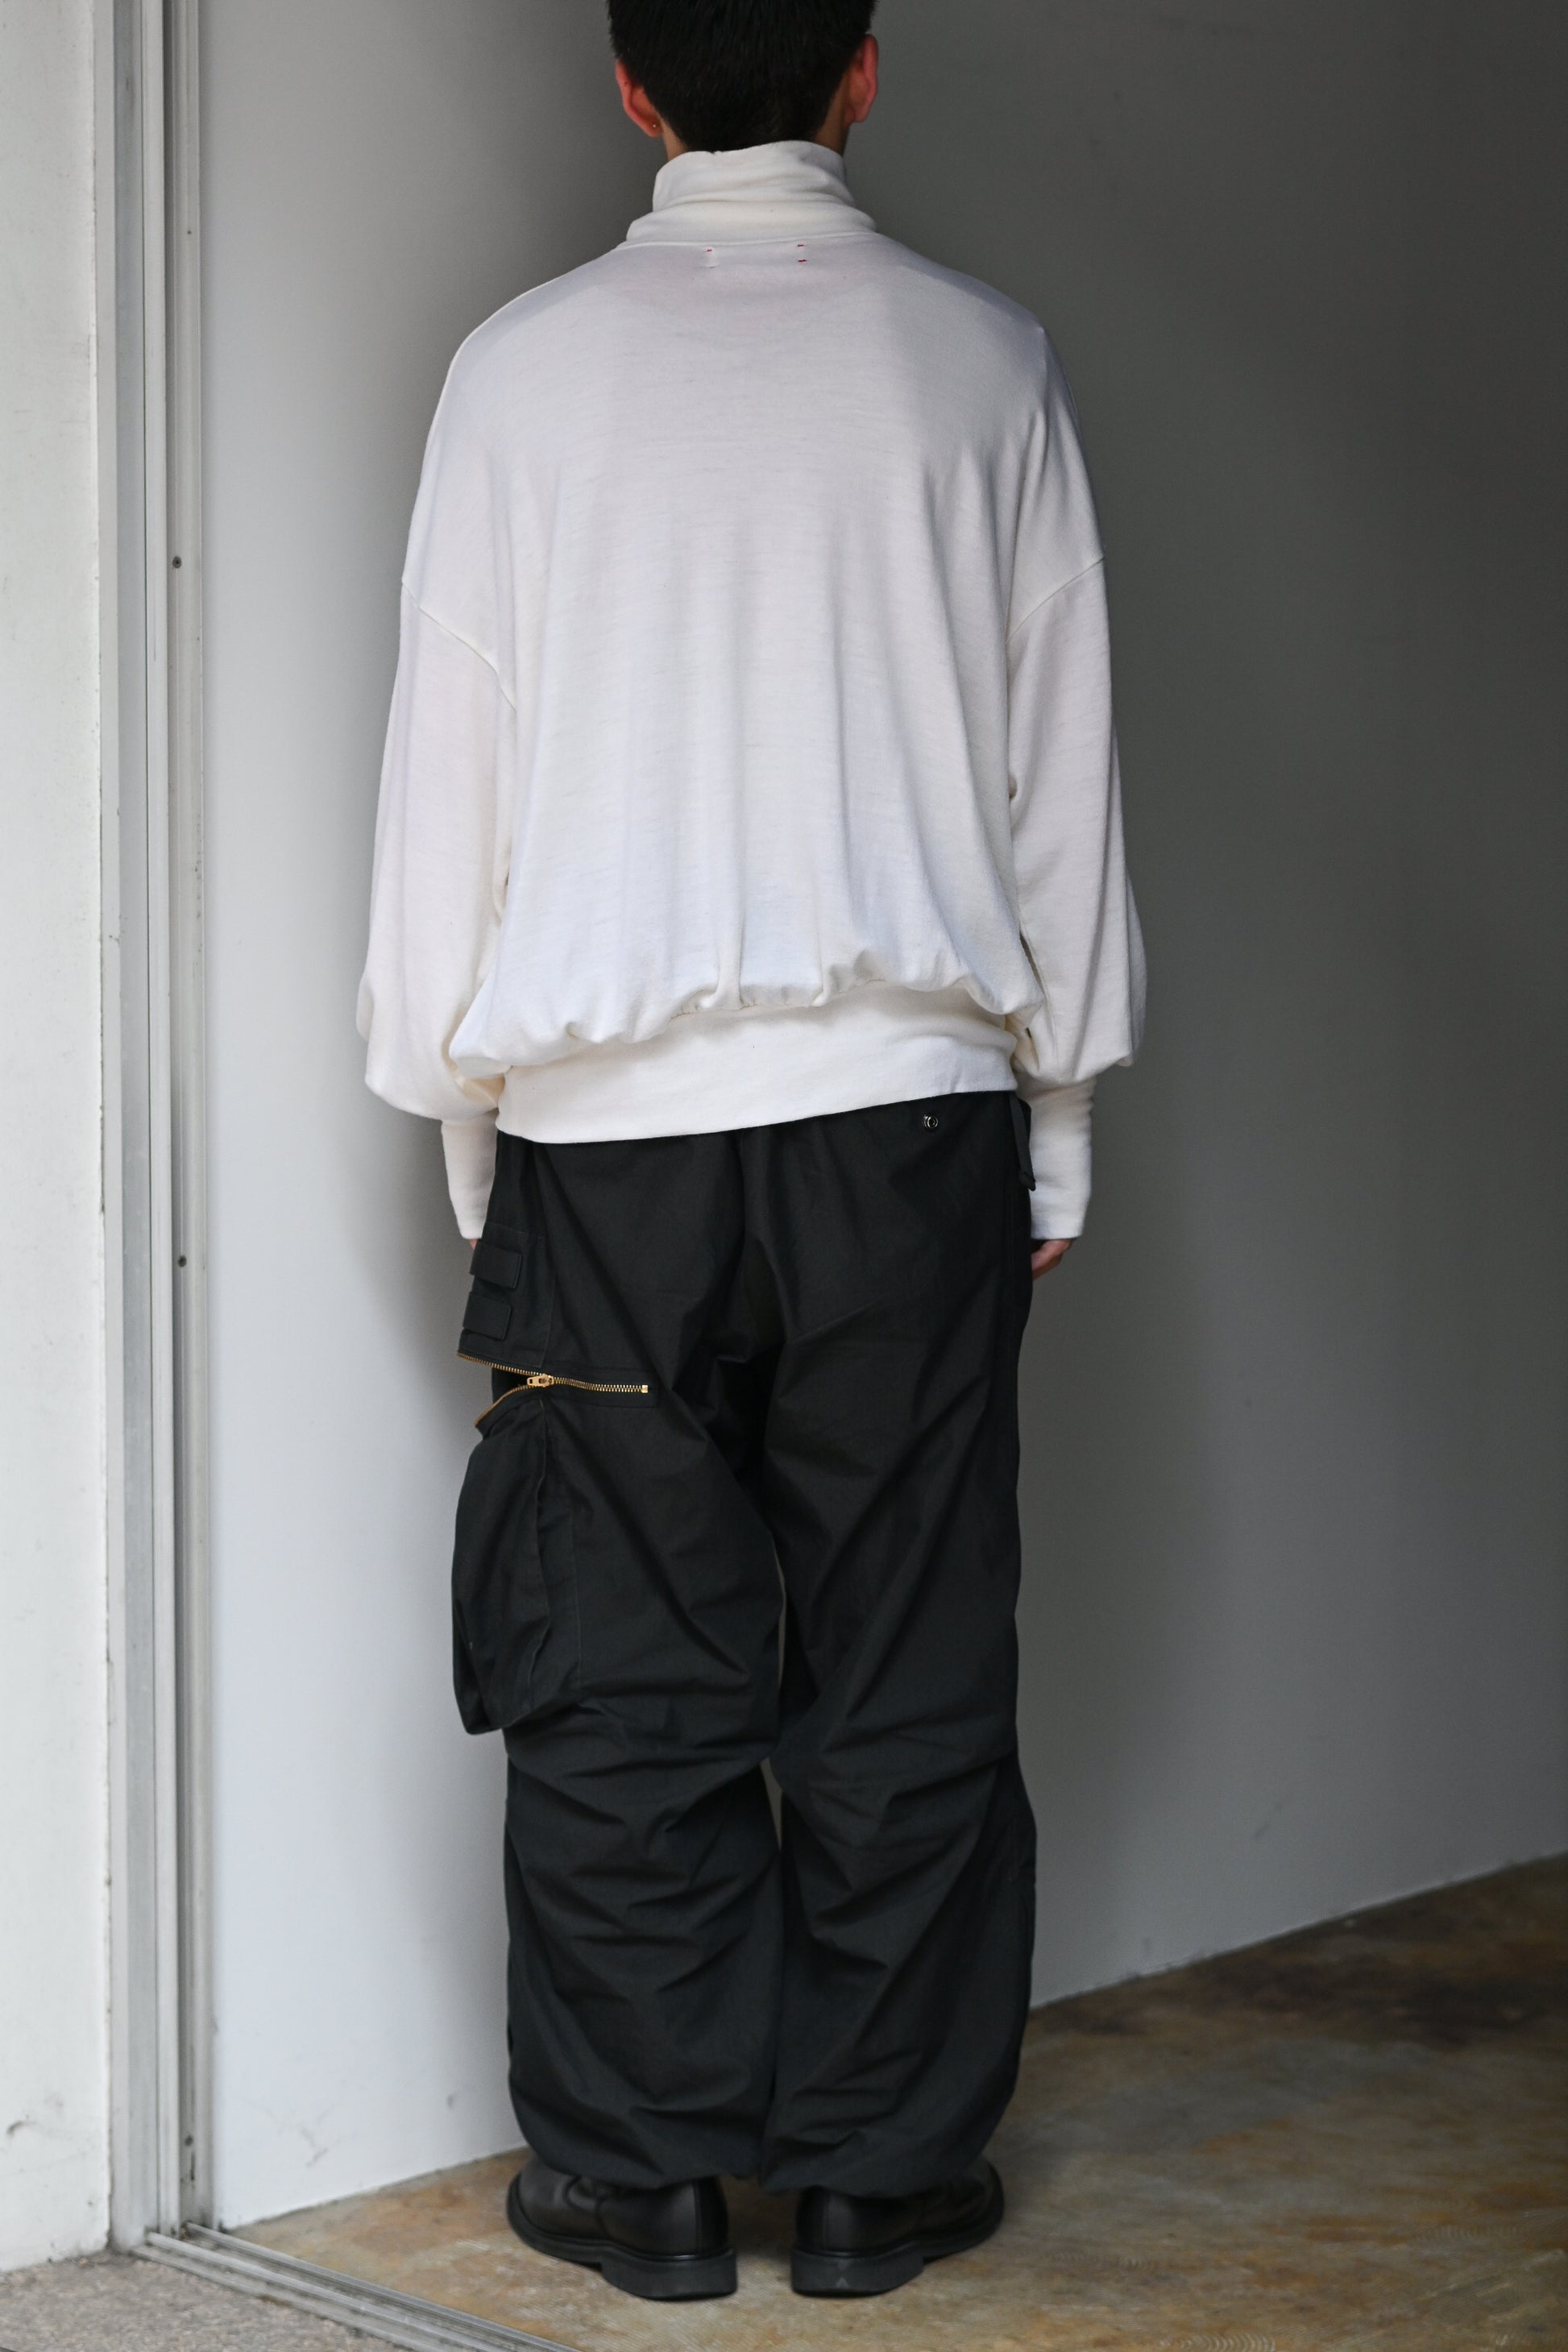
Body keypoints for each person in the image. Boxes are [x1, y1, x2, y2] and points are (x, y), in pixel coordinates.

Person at [358, 0, 1143, 2305]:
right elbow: (1060, 775)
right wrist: (1058, 1125)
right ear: (863, 67)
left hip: (608, 1149)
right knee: (907, 1647)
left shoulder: (518, 375)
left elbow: (450, 775)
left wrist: (479, 1135)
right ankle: (882, 2178)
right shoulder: (984, 363)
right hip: (912, 1127)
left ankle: (647, 2180)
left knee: (618, 1665)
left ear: (628, 86)